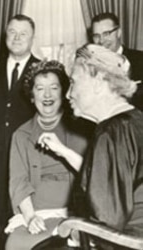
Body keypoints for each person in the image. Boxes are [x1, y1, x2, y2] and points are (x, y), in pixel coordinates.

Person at [36, 44, 143, 250]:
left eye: (74, 82)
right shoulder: (134, 120)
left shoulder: (111, 133)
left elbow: (108, 221)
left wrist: (73, 234)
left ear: (98, 82)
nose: (68, 95)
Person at [5, 60, 88, 250]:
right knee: (16, 244)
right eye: (40, 88)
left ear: (63, 92)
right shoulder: (21, 135)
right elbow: (18, 182)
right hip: (38, 215)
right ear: (32, 96)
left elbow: (94, 176)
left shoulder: (82, 129)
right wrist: (30, 217)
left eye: (54, 87)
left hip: (77, 215)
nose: (47, 95)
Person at [0, 14, 40, 238]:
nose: (17, 37)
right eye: (12, 32)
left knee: (20, 228)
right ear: (5, 37)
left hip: (26, 164)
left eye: (23, 33)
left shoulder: (43, 72)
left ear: (32, 38)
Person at [91, 12, 143, 110]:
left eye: (106, 34)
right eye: (96, 36)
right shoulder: (89, 67)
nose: (101, 41)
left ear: (118, 32)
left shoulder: (140, 59)